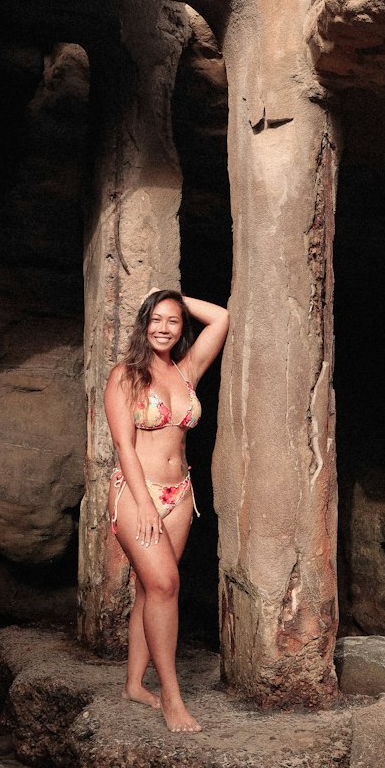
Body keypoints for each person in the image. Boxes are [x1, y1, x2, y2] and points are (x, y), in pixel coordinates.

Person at [103, 288, 229, 732]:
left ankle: (134, 685)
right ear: (143, 323)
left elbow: (221, 318)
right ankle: (173, 698)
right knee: (164, 585)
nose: (163, 328)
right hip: (140, 495)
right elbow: (124, 446)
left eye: (172, 321)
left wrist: (174, 295)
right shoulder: (125, 376)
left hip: (181, 495)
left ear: (180, 329)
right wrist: (146, 506)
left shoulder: (186, 370)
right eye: (155, 319)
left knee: (150, 590)